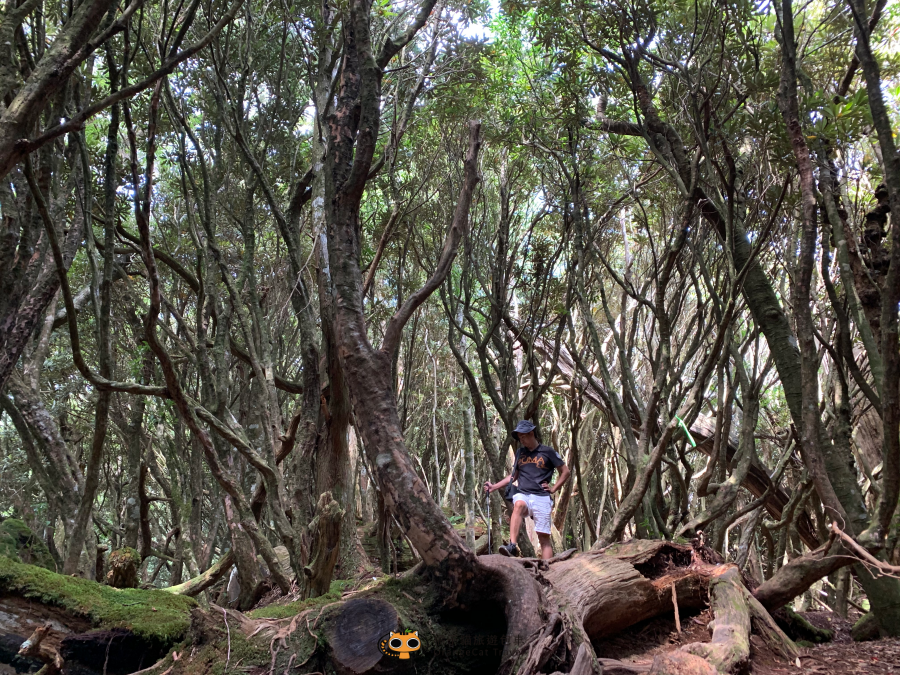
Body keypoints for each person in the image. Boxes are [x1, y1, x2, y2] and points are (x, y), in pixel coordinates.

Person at [483, 420, 571, 559]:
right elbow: (513, 476)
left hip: (541, 496)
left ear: (531, 434)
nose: (521, 440)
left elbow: (565, 472)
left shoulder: (547, 452)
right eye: (519, 437)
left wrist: (553, 489)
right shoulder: (520, 453)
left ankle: (549, 571)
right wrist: (494, 486)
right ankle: (512, 545)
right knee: (518, 504)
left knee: (543, 538)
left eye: (523, 436)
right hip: (523, 493)